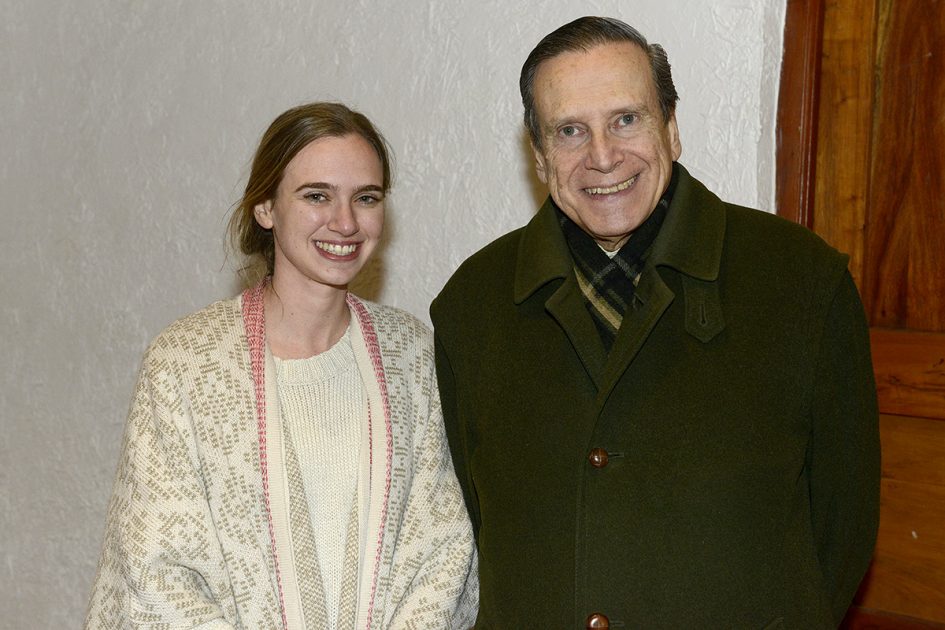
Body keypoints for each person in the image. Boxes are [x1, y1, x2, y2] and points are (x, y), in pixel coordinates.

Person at [430, 16, 879, 629]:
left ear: (671, 127)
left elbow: (842, 525)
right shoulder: (472, 304)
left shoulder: (801, 282)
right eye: (570, 131)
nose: (603, 156)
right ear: (538, 155)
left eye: (626, 119)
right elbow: (474, 519)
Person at [86, 102, 477, 629]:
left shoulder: (411, 354)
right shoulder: (185, 362)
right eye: (317, 196)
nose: (345, 222)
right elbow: (155, 571)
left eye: (366, 198)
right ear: (266, 208)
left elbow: (442, 550)